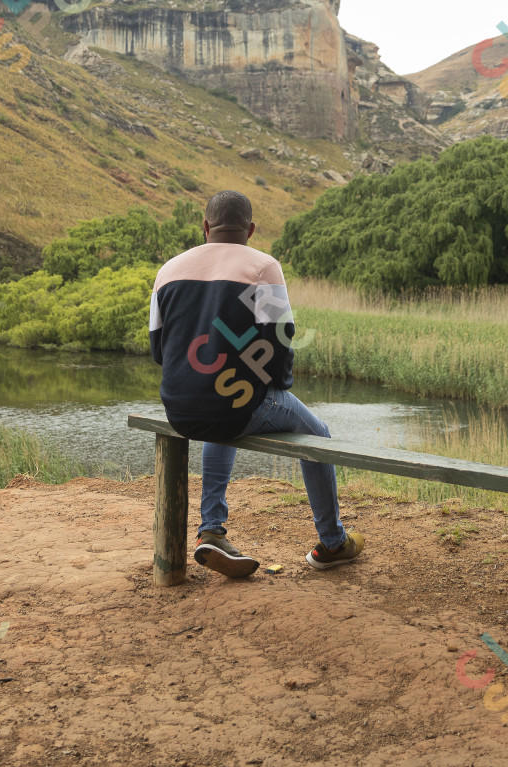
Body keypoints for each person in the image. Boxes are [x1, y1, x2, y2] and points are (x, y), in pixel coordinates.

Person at [147, 190, 364, 579]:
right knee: (318, 435)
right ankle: (333, 543)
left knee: (222, 415)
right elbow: (280, 340)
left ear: (205, 227)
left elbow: (158, 349)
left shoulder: (170, 270)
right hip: (239, 401)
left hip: (178, 407)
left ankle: (212, 530)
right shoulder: (264, 267)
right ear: (250, 229)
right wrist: (278, 386)